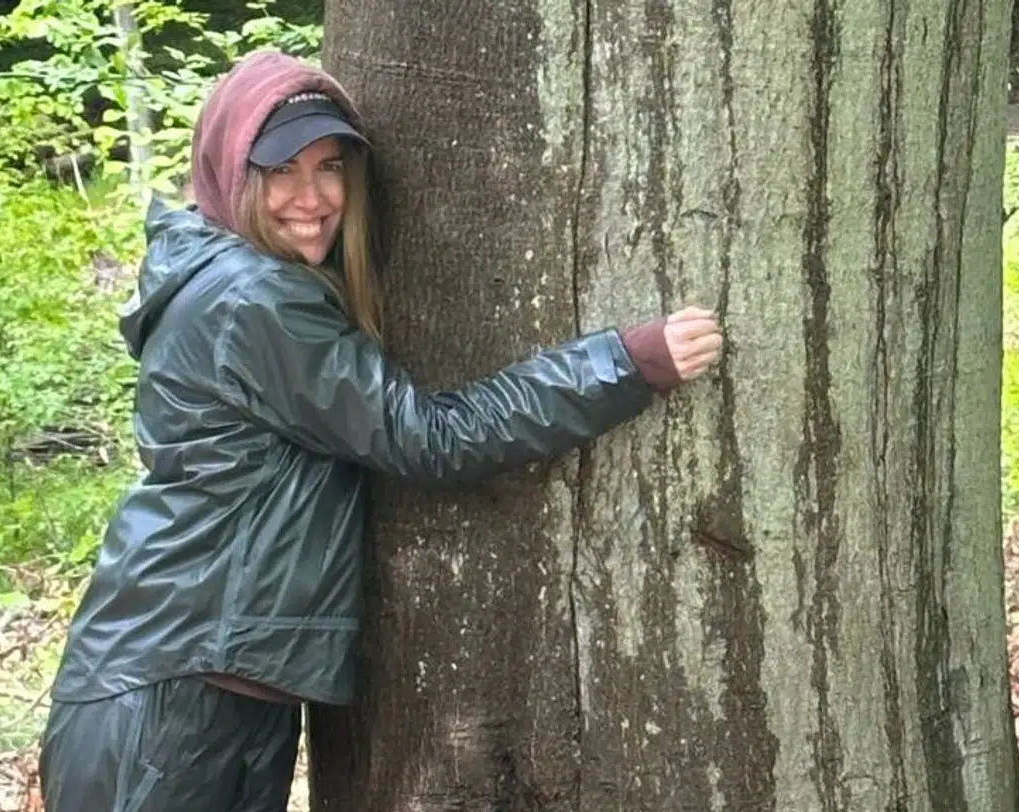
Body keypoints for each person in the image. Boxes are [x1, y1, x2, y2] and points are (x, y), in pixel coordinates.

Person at [37, 50, 723, 812]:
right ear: (234, 172)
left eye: (329, 166)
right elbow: (431, 439)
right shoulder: (253, 298)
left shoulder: (224, 274)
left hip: (195, 686)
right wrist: (622, 364)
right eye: (281, 171)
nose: (313, 197)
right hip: (170, 702)